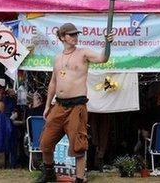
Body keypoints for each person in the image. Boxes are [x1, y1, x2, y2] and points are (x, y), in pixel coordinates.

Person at [36, 23, 114, 183]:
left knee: (78, 145)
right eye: (71, 35)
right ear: (62, 37)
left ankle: (79, 178)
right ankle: (49, 172)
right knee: (45, 142)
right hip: (58, 105)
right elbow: (53, 83)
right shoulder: (58, 58)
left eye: (76, 34)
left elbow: (103, 58)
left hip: (76, 106)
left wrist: (108, 43)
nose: (75, 37)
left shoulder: (83, 53)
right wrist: (46, 105)